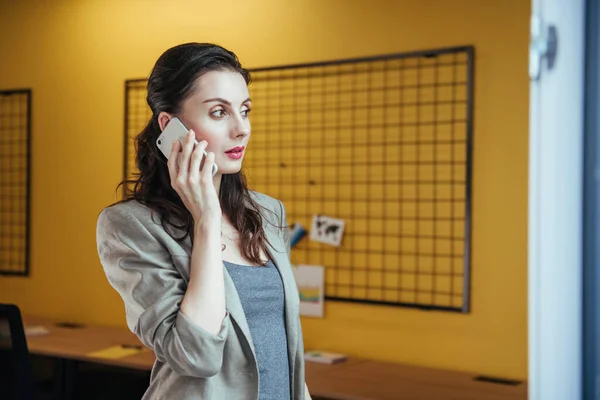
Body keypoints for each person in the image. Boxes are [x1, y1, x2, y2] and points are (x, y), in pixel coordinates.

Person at [96, 42, 312, 400]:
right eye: (218, 112)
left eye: (244, 110)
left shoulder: (268, 212)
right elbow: (195, 355)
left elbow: (283, 341)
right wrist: (207, 218)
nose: (241, 129)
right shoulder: (131, 226)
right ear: (170, 125)